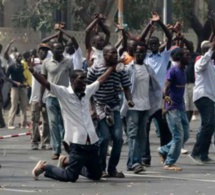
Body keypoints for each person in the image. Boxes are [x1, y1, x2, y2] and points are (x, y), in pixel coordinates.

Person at [31, 57, 118, 182]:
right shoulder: (63, 92)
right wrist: (33, 71)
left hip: (92, 142)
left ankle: (66, 161)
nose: (84, 83)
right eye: (81, 79)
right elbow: (46, 83)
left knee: (96, 175)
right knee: (71, 176)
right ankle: (45, 167)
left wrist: (112, 68)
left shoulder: (87, 91)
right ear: (72, 80)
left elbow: (100, 80)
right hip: (77, 143)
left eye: (85, 80)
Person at [87, 45, 134, 178]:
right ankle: (101, 168)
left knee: (118, 138)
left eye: (116, 53)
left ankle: (112, 168)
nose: (116, 56)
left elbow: (126, 87)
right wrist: (91, 108)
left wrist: (129, 99)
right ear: (105, 55)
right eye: (112, 53)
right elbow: (88, 90)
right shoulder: (95, 69)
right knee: (104, 138)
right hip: (99, 106)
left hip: (114, 107)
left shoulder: (120, 70)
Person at [121, 41, 162, 173]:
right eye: (138, 52)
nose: (140, 54)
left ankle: (133, 162)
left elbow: (155, 87)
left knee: (142, 136)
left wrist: (161, 98)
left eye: (143, 52)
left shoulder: (148, 69)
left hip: (145, 106)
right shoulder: (128, 69)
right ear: (134, 53)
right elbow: (123, 87)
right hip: (132, 107)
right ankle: (135, 162)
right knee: (132, 135)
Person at [142, 12, 172, 166]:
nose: (154, 46)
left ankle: (165, 154)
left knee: (164, 128)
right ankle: (145, 157)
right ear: (148, 46)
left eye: (156, 44)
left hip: (161, 98)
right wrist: (149, 26)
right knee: (145, 129)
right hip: (146, 97)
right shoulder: (145, 57)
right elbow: (141, 41)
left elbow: (170, 38)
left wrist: (159, 23)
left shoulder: (164, 56)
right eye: (151, 44)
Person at [157, 48, 190, 171]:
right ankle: (169, 162)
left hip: (180, 107)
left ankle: (163, 149)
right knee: (178, 136)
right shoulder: (173, 71)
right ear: (179, 58)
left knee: (185, 135)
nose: (189, 57)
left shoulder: (183, 70)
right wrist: (165, 105)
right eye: (186, 55)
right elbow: (165, 88)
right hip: (172, 108)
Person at [41, 41, 73, 160]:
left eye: (61, 49)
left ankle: (68, 145)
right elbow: (43, 81)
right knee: (53, 122)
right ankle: (56, 149)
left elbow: (72, 79)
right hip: (51, 96)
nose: (58, 51)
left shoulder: (68, 62)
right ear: (52, 50)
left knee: (64, 123)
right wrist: (41, 98)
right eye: (56, 49)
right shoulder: (46, 62)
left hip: (64, 96)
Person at [189, 40, 215, 165]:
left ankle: (204, 154)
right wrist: (211, 48)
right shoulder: (201, 62)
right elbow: (205, 59)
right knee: (208, 124)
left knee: (210, 125)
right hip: (202, 96)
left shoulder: (211, 64)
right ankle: (196, 152)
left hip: (210, 97)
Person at [30, 44, 51, 150]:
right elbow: (31, 65)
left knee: (47, 121)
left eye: (45, 51)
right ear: (38, 52)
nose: (43, 52)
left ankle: (46, 142)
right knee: (35, 121)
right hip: (35, 97)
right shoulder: (35, 62)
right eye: (41, 50)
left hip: (46, 97)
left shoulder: (49, 63)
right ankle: (34, 142)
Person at [4, 40, 28, 129]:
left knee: (24, 106)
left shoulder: (22, 66)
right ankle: (10, 124)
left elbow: (22, 75)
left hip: (22, 88)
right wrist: (15, 82)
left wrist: (25, 82)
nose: (20, 58)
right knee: (14, 106)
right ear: (15, 57)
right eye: (18, 56)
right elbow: (6, 78)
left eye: (20, 56)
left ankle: (23, 124)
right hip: (14, 88)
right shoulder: (11, 66)